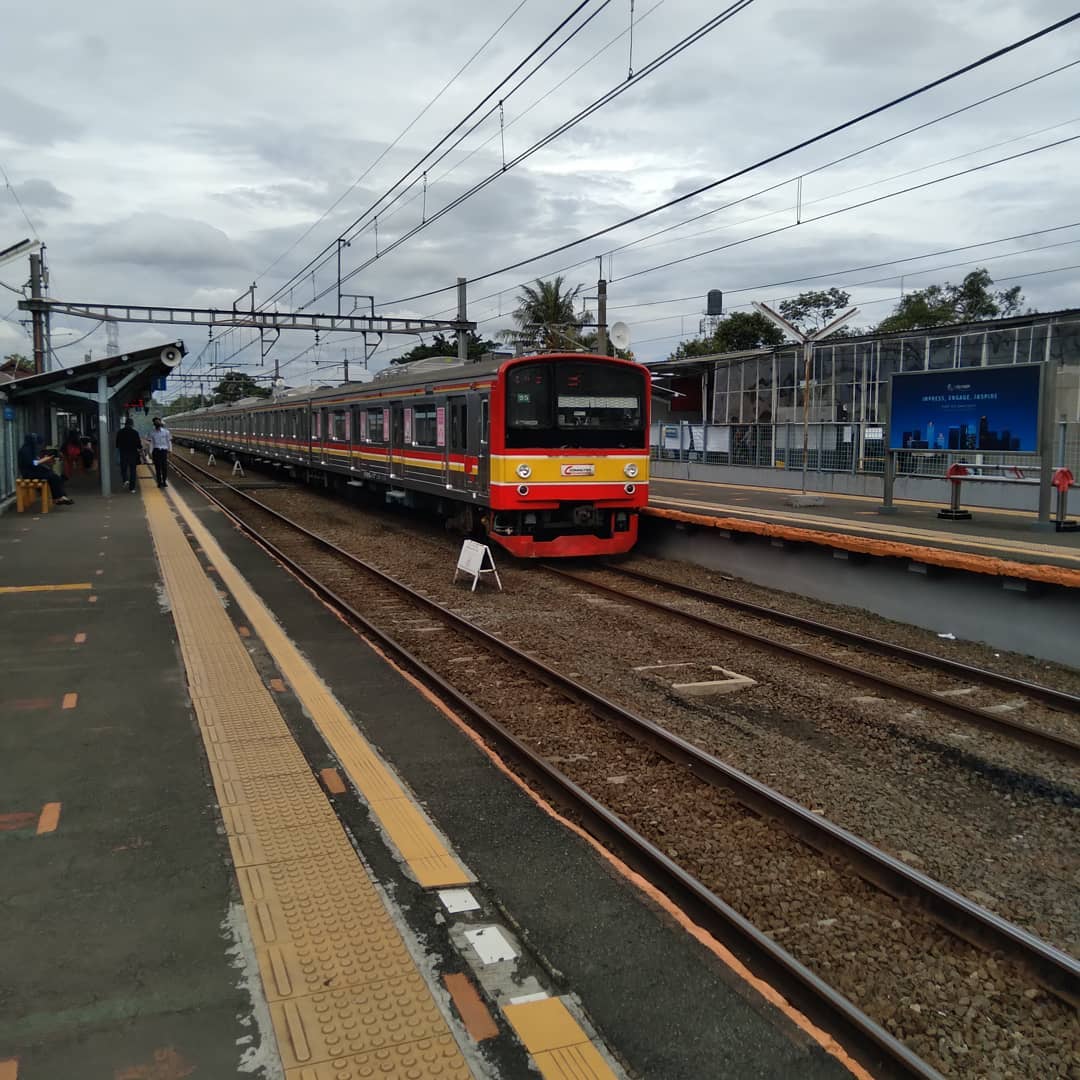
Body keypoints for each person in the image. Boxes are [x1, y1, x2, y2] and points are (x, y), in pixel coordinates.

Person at [17, 433, 73, 505]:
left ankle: (60, 497)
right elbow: (33, 463)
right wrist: (44, 460)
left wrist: (44, 459)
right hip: (29, 473)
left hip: (33, 471)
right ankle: (59, 497)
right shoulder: (25, 451)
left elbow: (35, 461)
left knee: (54, 476)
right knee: (53, 477)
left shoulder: (29, 449)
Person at [116, 417, 144, 493]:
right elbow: (138, 444)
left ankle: (125, 479)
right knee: (133, 471)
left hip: (123, 453)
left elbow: (117, 444)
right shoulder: (135, 432)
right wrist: (140, 449)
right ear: (132, 424)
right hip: (133, 454)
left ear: (125, 424)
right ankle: (132, 488)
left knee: (123, 468)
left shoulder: (120, 432)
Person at [148, 416, 172, 488]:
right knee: (157, 467)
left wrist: (170, 450)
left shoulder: (166, 432)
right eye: (156, 422)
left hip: (164, 451)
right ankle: (159, 482)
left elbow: (169, 441)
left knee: (164, 467)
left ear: (160, 423)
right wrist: (150, 452)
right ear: (154, 424)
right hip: (156, 451)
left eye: (158, 421)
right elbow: (151, 443)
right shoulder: (152, 433)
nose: (157, 423)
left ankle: (164, 481)